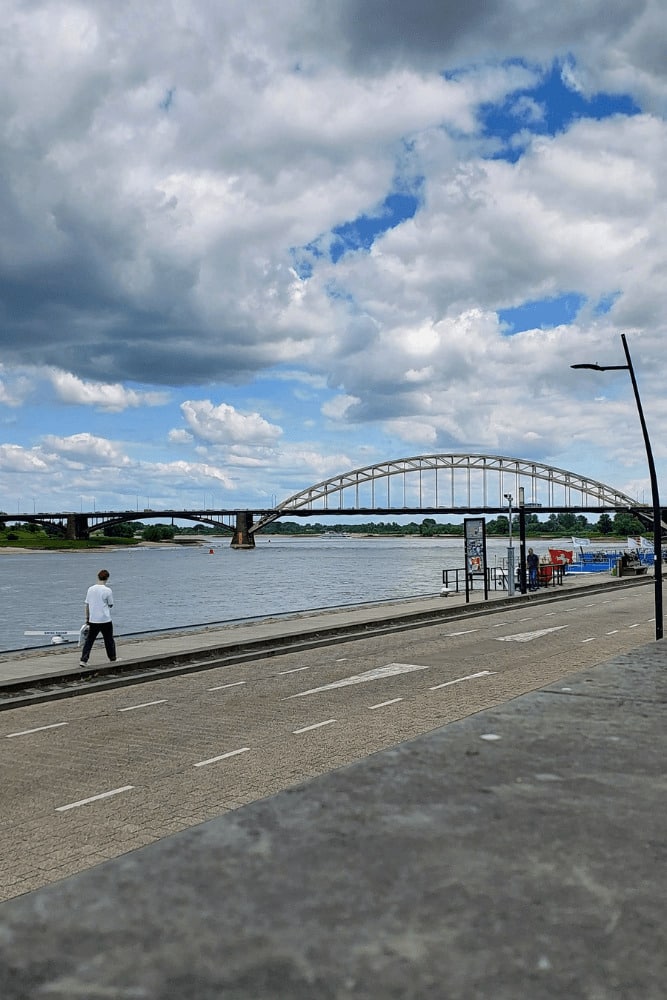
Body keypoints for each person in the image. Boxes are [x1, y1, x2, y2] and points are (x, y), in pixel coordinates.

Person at [79, 569, 117, 666]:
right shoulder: (107, 590)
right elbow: (111, 604)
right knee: (108, 640)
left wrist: (87, 618)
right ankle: (112, 658)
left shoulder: (90, 589)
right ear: (107, 578)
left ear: (98, 577)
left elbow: (87, 605)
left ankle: (84, 659)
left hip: (93, 619)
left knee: (90, 640)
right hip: (105, 619)